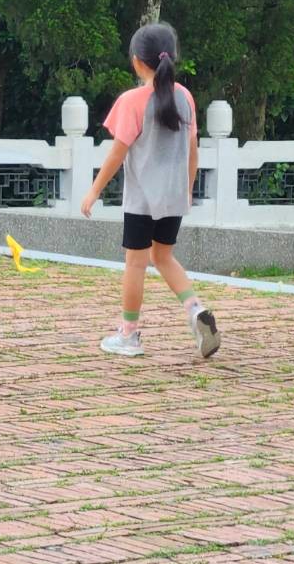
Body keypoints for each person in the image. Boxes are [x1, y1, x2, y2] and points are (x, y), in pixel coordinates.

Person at [80, 24, 220, 359]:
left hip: (142, 199)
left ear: (136, 61)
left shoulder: (132, 100)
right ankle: (195, 309)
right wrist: (186, 190)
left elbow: (118, 153)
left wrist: (94, 191)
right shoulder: (184, 97)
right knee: (164, 257)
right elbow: (193, 150)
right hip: (174, 198)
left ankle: (128, 335)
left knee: (136, 263)